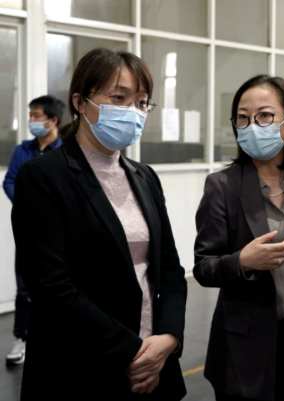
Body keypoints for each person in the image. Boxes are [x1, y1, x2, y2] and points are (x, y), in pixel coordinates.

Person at [11, 47, 187, 400]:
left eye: (141, 102)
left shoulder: (145, 177)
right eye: (119, 98)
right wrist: (134, 353)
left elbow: (169, 268)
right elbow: (53, 289)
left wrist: (168, 338)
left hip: (155, 359)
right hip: (81, 367)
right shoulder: (43, 177)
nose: (132, 111)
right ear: (80, 102)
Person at [193, 74, 284, 401]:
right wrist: (242, 262)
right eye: (243, 117)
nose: (253, 126)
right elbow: (203, 267)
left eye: (265, 116)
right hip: (244, 347)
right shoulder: (222, 187)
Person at [3, 95, 64, 366]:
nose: (31, 120)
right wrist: (29, 206)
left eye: (36, 116)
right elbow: (10, 181)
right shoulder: (22, 151)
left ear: (53, 120)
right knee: (25, 288)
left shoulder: (66, 152)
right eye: (30, 115)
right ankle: (22, 338)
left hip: (59, 234)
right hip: (28, 231)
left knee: (61, 286)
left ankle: (58, 339)